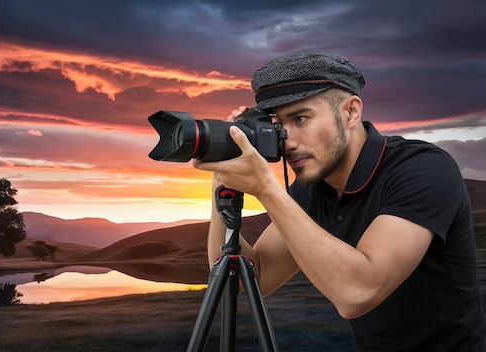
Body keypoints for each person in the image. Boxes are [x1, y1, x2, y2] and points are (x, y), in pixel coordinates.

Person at [193, 49, 485, 351]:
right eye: (278, 126)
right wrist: (222, 174)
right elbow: (249, 279)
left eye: (301, 118)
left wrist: (268, 190)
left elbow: (357, 293)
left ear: (350, 112)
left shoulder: (423, 169)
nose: (288, 142)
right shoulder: (311, 188)